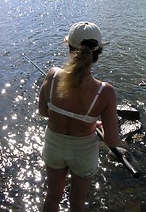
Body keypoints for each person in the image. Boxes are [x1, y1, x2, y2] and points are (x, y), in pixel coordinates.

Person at [39, 21, 119, 212]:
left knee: (52, 196)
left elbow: (43, 112)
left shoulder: (52, 75)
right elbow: (111, 140)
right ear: (97, 53)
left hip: (54, 145)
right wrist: (96, 125)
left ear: (69, 48)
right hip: (83, 151)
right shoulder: (105, 91)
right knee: (77, 203)